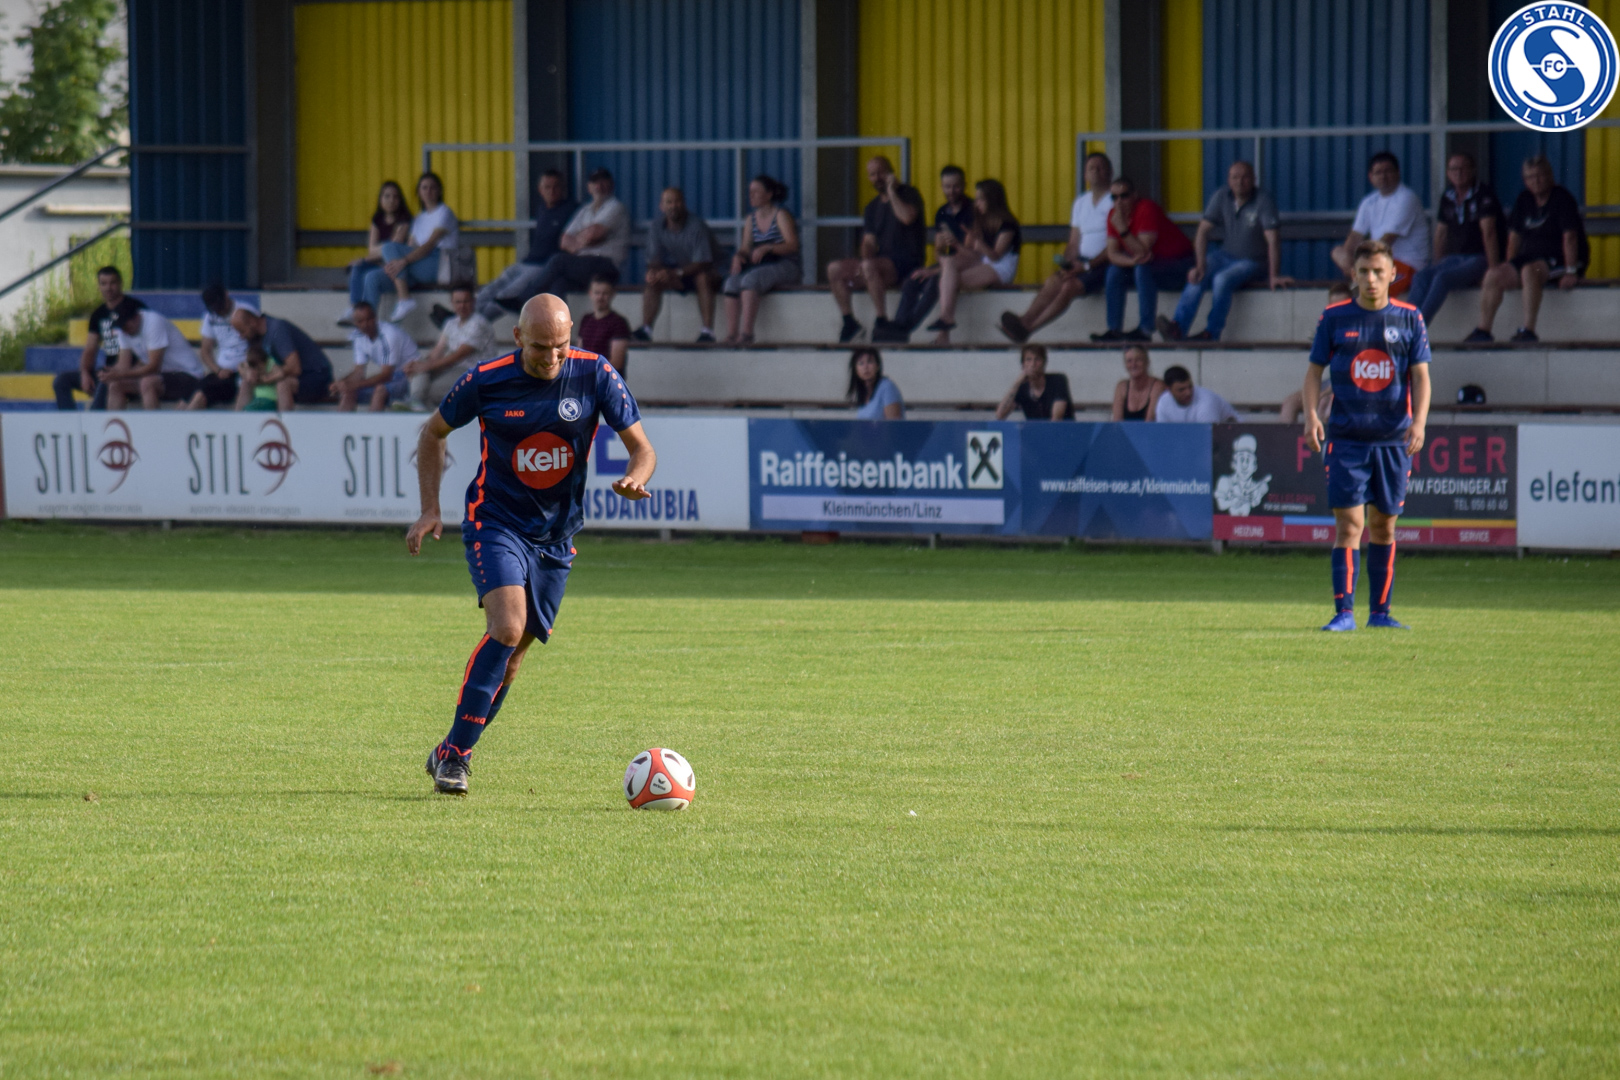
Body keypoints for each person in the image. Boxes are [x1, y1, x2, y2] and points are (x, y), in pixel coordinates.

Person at [406, 293, 656, 796]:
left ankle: (450, 747)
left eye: (561, 345)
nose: (552, 357)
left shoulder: (595, 373)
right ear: (518, 337)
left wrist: (636, 475)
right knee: (507, 627)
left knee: (513, 662)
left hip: (556, 536)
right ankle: (456, 759)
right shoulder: (486, 380)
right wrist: (430, 507)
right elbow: (432, 433)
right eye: (541, 347)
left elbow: (642, 448)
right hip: (495, 521)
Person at [1304, 239, 1431, 632]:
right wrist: (1311, 416)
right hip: (1346, 440)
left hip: (1393, 440)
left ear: (1393, 274)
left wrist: (1419, 422)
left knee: (1384, 527)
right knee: (1349, 526)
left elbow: (1421, 377)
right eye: (1364, 272)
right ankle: (1343, 613)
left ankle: (1380, 614)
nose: (1371, 279)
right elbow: (1313, 373)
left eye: (1379, 271)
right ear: (1353, 275)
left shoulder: (1410, 318)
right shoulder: (1334, 318)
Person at [1159, 160, 1291, 342]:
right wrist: (1200, 265)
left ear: (1254, 179)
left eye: (1245, 177)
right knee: (1197, 275)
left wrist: (1273, 275)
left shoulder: (1263, 199)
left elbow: (1273, 239)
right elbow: (1202, 231)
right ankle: (1177, 329)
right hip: (1225, 255)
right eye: (1235, 177)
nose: (1240, 182)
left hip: (1253, 261)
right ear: (1228, 180)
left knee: (1221, 279)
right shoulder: (1222, 196)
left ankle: (1211, 333)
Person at [1468, 154, 1587, 344]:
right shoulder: (1524, 199)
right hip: (1531, 258)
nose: (1536, 181)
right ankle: (1483, 330)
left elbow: (1570, 237)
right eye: (1531, 177)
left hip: (1560, 259)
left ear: (1550, 176)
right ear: (1525, 181)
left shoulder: (1562, 198)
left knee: (1530, 271)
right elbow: (1514, 238)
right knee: (1493, 274)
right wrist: (1510, 266)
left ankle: (1528, 330)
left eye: (1540, 175)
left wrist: (1571, 271)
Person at [1000, 152, 1114, 344]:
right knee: (1054, 280)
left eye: (1100, 167)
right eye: (1091, 168)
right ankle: (1024, 320)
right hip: (1081, 260)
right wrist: (1067, 263)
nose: (1095, 171)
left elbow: (1113, 243)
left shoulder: (1114, 201)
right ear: (1085, 174)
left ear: (1110, 172)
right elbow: (1074, 242)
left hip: (1103, 262)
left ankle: (1028, 329)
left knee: (1068, 287)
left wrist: (1085, 267)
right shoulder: (1081, 202)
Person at [828, 155, 925, 343]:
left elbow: (907, 217)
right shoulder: (871, 207)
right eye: (872, 174)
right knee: (834, 269)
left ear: (891, 172)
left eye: (881, 172)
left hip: (908, 263)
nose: (877, 178)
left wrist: (891, 192)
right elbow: (869, 242)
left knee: (869, 267)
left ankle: (881, 320)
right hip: (880, 265)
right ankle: (849, 322)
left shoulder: (909, 194)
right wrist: (865, 260)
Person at [877, 164, 975, 341]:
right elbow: (938, 250)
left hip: (968, 263)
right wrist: (940, 257)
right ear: (941, 186)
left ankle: (905, 328)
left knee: (933, 283)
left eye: (956, 186)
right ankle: (899, 324)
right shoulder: (942, 212)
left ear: (964, 185)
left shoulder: (972, 211)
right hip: (948, 264)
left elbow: (969, 254)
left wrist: (937, 267)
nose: (951, 191)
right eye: (947, 186)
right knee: (913, 280)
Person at [1093, 177, 1196, 342]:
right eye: (1114, 197)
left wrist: (1122, 229)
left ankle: (1145, 329)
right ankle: (1114, 330)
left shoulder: (1146, 208)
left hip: (1180, 265)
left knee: (1143, 268)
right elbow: (1112, 254)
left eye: (1124, 196)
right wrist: (1132, 262)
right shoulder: (1113, 215)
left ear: (1134, 195)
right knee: (1114, 271)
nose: (1119, 202)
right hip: (1153, 265)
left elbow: (1142, 250)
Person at [348, 172, 458, 324]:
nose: (428, 191)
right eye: (424, 187)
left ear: (439, 191)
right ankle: (366, 327)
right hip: (416, 266)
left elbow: (429, 245)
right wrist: (395, 264)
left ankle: (404, 299)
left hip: (437, 263)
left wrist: (403, 261)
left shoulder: (444, 212)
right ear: (418, 192)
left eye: (433, 187)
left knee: (389, 247)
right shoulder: (419, 218)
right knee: (372, 278)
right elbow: (410, 246)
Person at [1406, 152, 1501, 325]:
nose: (1458, 173)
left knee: (1442, 278)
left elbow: (1489, 233)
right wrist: (1438, 263)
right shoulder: (1448, 196)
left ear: (1473, 170)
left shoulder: (1484, 194)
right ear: (1448, 173)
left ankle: (1418, 327)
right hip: (1454, 259)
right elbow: (1440, 234)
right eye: (1453, 169)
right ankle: (1405, 324)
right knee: (1421, 277)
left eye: (1463, 168)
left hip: (1478, 258)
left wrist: (1493, 271)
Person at [475, 169, 579, 323]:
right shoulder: (542, 209)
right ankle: (460, 319)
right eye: (547, 187)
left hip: (543, 266)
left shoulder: (571, 210)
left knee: (506, 295)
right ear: (540, 190)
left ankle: (474, 325)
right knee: (491, 288)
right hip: (526, 261)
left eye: (556, 187)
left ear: (563, 188)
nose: (552, 191)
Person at [928, 179, 1020, 344]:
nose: (976, 203)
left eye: (980, 199)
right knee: (949, 263)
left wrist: (979, 244)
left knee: (951, 281)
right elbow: (971, 253)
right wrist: (955, 245)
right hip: (984, 261)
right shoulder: (979, 221)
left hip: (1001, 268)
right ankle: (946, 319)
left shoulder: (1007, 224)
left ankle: (944, 329)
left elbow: (996, 256)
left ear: (992, 200)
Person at [1330, 152, 1428, 294]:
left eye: (1388, 171)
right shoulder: (1369, 202)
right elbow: (1354, 237)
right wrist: (1349, 259)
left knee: (1364, 292)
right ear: (1371, 177)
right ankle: (1359, 280)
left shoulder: (1406, 198)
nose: (1383, 176)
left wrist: (1361, 262)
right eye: (1378, 173)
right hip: (1378, 264)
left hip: (1409, 267)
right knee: (1338, 252)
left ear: (1398, 173)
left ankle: (1360, 282)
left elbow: (1386, 241)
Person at [635, 186, 722, 343]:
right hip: (681, 274)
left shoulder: (696, 226)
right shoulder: (656, 226)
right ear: (661, 206)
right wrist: (654, 272)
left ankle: (707, 331)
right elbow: (653, 260)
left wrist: (674, 273)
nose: (673, 206)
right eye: (669, 202)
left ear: (684, 204)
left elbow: (703, 263)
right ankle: (646, 329)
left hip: (713, 273)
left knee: (702, 278)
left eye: (677, 201)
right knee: (653, 280)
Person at [721, 175, 801, 345]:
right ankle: (732, 335)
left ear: (769, 194)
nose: (751, 195)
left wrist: (768, 247)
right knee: (731, 282)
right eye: (750, 192)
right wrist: (738, 256)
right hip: (761, 265)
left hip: (785, 264)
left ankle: (747, 334)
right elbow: (745, 248)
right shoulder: (751, 219)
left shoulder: (780, 215)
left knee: (751, 280)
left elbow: (793, 245)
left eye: (756, 191)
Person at [528, 167, 630, 297]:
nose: (599, 186)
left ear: (612, 184)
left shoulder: (615, 207)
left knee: (558, 261)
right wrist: (587, 240)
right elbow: (564, 241)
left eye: (604, 181)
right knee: (559, 283)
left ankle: (528, 297)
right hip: (584, 264)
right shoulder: (585, 210)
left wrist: (580, 239)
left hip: (606, 265)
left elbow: (593, 234)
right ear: (589, 187)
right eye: (595, 182)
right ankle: (555, 311)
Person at [54, 266, 144, 410]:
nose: (108, 288)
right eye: (104, 283)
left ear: (120, 283)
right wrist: (84, 372)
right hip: (108, 370)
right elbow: (90, 348)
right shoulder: (98, 314)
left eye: (112, 283)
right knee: (61, 380)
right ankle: (69, 421)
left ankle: (94, 420)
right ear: (99, 286)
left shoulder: (134, 308)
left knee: (105, 377)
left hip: (131, 373)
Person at [406, 285, 496, 411]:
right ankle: (416, 402)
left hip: (475, 373)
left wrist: (427, 366)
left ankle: (417, 404)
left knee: (429, 387)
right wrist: (417, 365)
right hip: (454, 369)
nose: (462, 306)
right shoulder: (451, 323)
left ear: (473, 302)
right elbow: (437, 351)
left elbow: (459, 355)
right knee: (420, 369)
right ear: (452, 303)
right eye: (458, 302)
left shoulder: (479, 323)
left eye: (466, 301)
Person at [102, 308, 206, 410]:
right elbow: (124, 365)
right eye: (121, 328)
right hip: (162, 376)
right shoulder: (123, 330)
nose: (124, 332)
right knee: (115, 385)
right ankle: (113, 421)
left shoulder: (153, 322)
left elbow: (154, 367)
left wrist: (121, 374)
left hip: (189, 375)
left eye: (125, 326)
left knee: (148, 382)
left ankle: (153, 421)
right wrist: (110, 373)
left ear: (136, 317)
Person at [231, 310, 335, 411]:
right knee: (246, 382)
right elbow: (245, 364)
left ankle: (283, 422)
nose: (241, 336)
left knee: (283, 384)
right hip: (291, 377)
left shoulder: (277, 329)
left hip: (317, 376)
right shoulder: (254, 335)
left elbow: (294, 368)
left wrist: (268, 378)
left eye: (242, 331)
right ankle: (238, 421)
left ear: (252, 322)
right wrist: (247, 371)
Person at [1279, 283, 1349, 423]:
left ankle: (1322, 437)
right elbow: (1315, 371)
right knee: (1290, 403)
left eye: (1342, 306)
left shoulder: (1359, 328)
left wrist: (1325, 393)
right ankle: (1285, 438)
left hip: (1348, 386)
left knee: (1325, 405)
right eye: (1333, 306)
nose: (1338, 311)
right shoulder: (1327, 328)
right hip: (1329, 383)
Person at [345, 180, 412, 322]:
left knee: (368, 273)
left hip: (393, 266)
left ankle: (367, 316)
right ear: (380, 199)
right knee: (357, 267)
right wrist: (381, 250)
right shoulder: (377, 219)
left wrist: (374, 253)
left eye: (395, 197)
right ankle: (355, 307)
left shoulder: (404, 220)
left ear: (400, 200)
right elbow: (372, 249)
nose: (391, 200)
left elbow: (393, 247)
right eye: (387, 196)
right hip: (377, 262)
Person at [333, 301, 418, 412]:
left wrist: (354, 384)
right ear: (355, 323)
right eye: (360, 321)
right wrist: (341, 383)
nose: (365, 324)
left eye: (369, 319)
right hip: (392, 377)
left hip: (409, 376)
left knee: (380, 391)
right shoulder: (358, 336)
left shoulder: (389, 335)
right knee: (348, 391)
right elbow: (359, 371)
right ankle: (342, 423)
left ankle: (371, 423)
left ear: (375, 318)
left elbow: (387, 375)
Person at [188, 283, 258, 410]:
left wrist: (247, 366)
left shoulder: (245, 311)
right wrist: (218, 370)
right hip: (222, 372)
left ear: (226, 295)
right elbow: (205, 350)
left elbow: (258, 345)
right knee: (194, 395)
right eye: (215, 309)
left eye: (220, 307)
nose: (219, 311)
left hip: (244, 369)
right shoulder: (210, 317)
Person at [995, 344, 1071, 420]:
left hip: (1060, 427)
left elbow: (1057, 418)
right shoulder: (1022, 387)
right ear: (1023, 364)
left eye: (1037, 359)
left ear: (1044, 363)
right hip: (1033, 427)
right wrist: (1017, 383)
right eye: (1028, 360)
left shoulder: (1057, 380)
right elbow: (1000, 415)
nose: (1033, 364)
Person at [578, 276, 631, 374]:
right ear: (590, 294)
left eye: (605, 293)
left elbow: (616, 363)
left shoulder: (619, 323)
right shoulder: (586, 319)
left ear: (612, 294)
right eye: (597, 293)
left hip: (608, 380)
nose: (600, 297)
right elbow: (579, 353)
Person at [1153, 364, 1237, 423]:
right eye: (1181, 390)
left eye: (1190, 387)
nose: (1188, 393)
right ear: (1168, 389)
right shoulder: (1163, 401)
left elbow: (1208, 435)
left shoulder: (1206, 401)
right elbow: (1163, 433)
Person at [1110, 343, 1165, 421]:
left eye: (1138, 360)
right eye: (1129, 361)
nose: (1133, 365)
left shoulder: (1158, 386)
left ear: (1147, 362)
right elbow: (1117, 422)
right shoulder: (1121, 387)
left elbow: (1150, 421)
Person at [848, 347, 904, 419]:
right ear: (855, 369)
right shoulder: (863, 393)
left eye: (870, 362)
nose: (865, 367)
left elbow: (893, 423)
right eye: (861, 363)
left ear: (877, 366)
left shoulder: (887, 387)